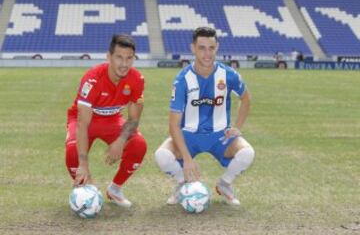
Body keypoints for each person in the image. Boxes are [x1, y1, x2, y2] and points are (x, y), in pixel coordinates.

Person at [154, 27, 255, 206]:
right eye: (202, 48)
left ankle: (224, 184)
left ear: (217, 47)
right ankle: (183, 184)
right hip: (190, 135)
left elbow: (245, 98)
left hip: (220, 135)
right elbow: (174, 124)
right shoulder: (182, 79)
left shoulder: (229, 75)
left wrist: (237, 127)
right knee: (161, 155)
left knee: (247, 153)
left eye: (211, 48)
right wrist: (186, 159)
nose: (207, 53)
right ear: (193, 48)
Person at [65, 34, 147, 208]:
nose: (124, 64)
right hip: (85, 120)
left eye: (129, 58)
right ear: (109, 57)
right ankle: (87, 189)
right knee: (73, 152)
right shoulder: (92, 79)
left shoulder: (137, 79)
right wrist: (83, 164)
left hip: (112, 119)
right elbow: (82, 124)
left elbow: (133, 119)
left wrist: (120, 141)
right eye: (119, 57)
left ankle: (115, 189)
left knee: (139, 144)